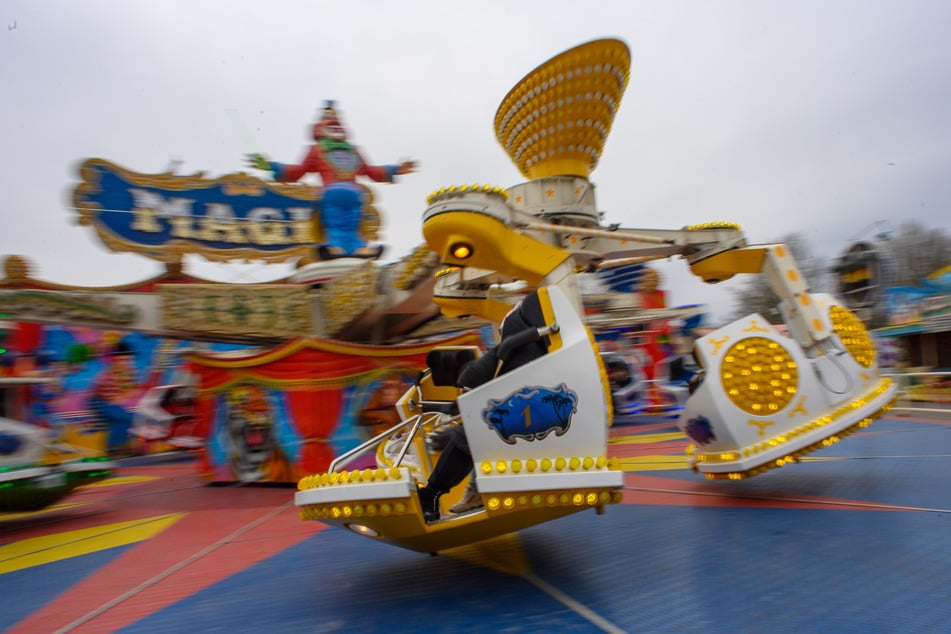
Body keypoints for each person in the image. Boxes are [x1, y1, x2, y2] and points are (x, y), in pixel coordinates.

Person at [416, 291, 549, 522]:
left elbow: (469, 378)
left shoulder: (509, 348)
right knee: (481, 426)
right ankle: (468, 477)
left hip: (517, 428)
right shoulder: (548, 350)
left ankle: (433, 493)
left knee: (470, 430)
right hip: (547, 421)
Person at [247, 100, 416, 260]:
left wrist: (396, 169)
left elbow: (371, 170)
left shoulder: (352, 151)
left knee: (349, 224)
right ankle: (341, 246)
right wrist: (271, 166)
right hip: (339, 194)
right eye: (329, 123)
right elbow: (297, 171)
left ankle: (353, 248)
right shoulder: (318, 150)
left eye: (337, 123)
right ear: (319, 129)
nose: (335, 126)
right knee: (338, 223)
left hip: (350, 196)